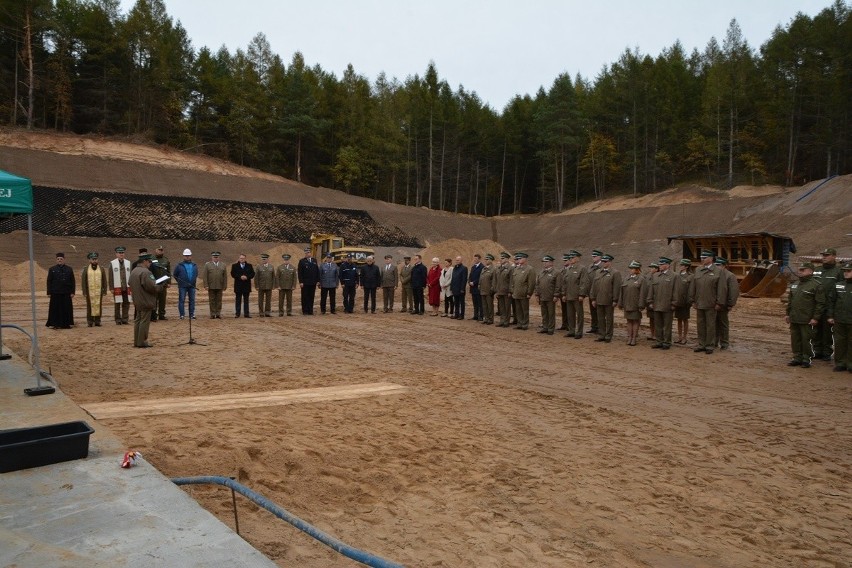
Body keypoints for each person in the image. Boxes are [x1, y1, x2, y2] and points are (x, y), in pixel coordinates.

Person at [786, 262, 825, 368]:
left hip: (807, 318)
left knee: (806, 340)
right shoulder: (795, 284)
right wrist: (787, 314)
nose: (800, 271)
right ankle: (797, 357)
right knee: (795, 339)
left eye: (803, 270)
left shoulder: (816, 285)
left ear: (810, 271)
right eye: (799, 269)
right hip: (794, 317)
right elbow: (790, 301)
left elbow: (820, 304)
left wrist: (815, 318)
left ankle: (806, 359)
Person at [688, 249, 727, 354]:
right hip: (699, 302)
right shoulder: (698, 270)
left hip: (711, 303)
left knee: (710, 325)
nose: (702, 259)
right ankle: (701, 344)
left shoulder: (718, 271)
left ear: (711, 259)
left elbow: (721, 289)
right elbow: (693, 286)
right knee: (700, 325)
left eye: (704, 258)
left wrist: (719, 302)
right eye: (701, 257)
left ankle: (710, 345)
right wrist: (692, 300)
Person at [813, 247, 842, 361]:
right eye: (823, 255)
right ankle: (817, 350)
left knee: (827, 331)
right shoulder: (817, 270)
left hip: (829, 306)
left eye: (827, 255)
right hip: (816, 305)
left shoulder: (838, 271)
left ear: (834, 256)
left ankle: (826, 352)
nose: (824, 257)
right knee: (815, 329)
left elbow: (840, 288)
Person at [129, 253, 163, 348]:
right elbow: (152, 286)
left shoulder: (134, 271)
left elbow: (130, 283)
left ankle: (137, 341)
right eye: (149, 261)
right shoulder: (146, 272)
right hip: (145, 300)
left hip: (137, 300)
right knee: (144, 321)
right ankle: (142, 342)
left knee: (138, 320)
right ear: (144, 261)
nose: (150, 263)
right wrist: (160, 287)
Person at [647, 257, 681, 350]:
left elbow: (676, 291)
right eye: (659, 264)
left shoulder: (674, 276)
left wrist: (674, 303)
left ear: (667, 265)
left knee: (667, 325)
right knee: (658, 324)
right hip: (656, 304)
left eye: (662, 264)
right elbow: (651, 289)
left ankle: (666, 342)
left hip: (668, 304)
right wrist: (650, 301)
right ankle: (659, 341)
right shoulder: (656, 275)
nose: (660, 266)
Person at [590, 254, 621, 342]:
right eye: (603, 261)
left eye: (605, 261)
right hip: (599, 299)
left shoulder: (615, 273)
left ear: (610, 262)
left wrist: (615, 300)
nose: (603, 263)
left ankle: (608, 336)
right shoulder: (598, 272)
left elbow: (616, 287)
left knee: (609, 319)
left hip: (609, 300)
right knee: (600, 318)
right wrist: (593, 298)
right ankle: (601, 335)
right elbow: (594, 286)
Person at [827, 262, 852, 373]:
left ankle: (850, 364)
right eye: (845, 271)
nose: (846, 273)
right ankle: (841, 363)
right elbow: (831, 301)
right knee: (839, 342)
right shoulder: (838, 285)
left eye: (848, 271)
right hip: (840, 320)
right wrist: (830, 315)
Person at [560, 250, 590, 339]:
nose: (571, 259)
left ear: (578, 258)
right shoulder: (568, 269)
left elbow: (584, 282)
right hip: (569, 295)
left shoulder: (582, 269)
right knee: (570, 314)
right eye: (570, 258)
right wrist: (564, 294)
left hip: (577, 296)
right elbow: (564, 283)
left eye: (573, 258)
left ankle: (579, 332)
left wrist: (581, 294)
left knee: (579, 314)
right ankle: (571, 330)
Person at [714, 257, 739, 350]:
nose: (717, 267)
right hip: (714, 303)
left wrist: (730, 304)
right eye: (715, 265)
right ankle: (714, 341)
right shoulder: (715, 274)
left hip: (724, 304)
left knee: (723, 324)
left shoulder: (730, 276)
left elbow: (734, 291)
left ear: (724, 266)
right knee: (714, 323)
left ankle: (724, 343)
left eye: (718, 265)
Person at [619, 260, 646, 346]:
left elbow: (642, 293)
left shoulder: (641, 279)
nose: (631, 270)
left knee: (635, 321)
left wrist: (641, 304)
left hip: (636, 304)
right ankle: (629, 337)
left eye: (633, 268)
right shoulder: (626, 278)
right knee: (629, 321)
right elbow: (622, 292)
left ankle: (634, 338)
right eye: (630, 268)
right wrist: (620, 303)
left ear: (637, 269)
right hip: (627, 303)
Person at [46, 252, 75, 329]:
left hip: (66, 292)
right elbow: (49, 281)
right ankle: (55, 324)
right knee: (55, 309)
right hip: (55, 292)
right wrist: (49, 292)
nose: (59, 260)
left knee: (66, 309)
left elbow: (72, 281)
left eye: (61, 259)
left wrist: (72, 292)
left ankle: (66, 324)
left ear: (64, 260)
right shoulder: (52, 269)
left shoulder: (69, 269)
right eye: (58, 259)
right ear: (56, 260)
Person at [510, 252, 536, 330]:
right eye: (518, 259)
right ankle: (519, 323)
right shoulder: (517, 269)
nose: (519, 260)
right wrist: (512, 291)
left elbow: (531, 283)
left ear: (525, 259)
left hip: (524, 293)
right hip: (516, 293)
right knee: (518, 309)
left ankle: (525, 324)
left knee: (524, 310)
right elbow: (513, 281)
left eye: (520, 258)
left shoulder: (530, 269)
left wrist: (529, 292)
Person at [80, 252, 107, 327]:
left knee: (98, 305)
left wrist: (104, 290)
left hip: (99, 291)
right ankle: (90, 321)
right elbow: (83, 281)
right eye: (93, 259)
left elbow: (104, 280)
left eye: (96, 259)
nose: (94, 260)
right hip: (89, 291)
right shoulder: (86, 269)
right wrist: (84, 291)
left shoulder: (101, 269)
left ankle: (98, 321)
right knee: (90, 306)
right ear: (89, 260)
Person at [172, 248, 198, 320]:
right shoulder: (179, 265)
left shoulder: (194, 265)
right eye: (186, 255)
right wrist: (180, 281)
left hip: (192, 286)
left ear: (191, 256)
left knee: (192, 300)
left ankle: (191, 314)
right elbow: (175, 274)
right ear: (183, 256)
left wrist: (192, 281)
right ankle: (182, 315)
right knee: (182, 300)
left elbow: (196, 274)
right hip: (182, 286)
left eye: (188, 255)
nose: (187, 257)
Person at [108, 246, 132, 325]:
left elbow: (131, 275)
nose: (121, 254)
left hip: (126, 287)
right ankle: (118, 319)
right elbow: (110, 276)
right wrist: (111, 287)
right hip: (117, 287)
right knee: (117, 304)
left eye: (122, 253)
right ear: (116, 254)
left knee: (126, 303)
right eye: (119, 253)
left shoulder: (128, 263)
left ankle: (125, 319)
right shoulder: (112, 263)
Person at [535, 255, 558, 334]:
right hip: (542, 296)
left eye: (546, 262)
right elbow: (537, 284)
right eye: (543, 262)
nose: (544, 264)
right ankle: (545, 327)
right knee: (544, 313)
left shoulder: (556, 273)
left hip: (550, 296)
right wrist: (537, 294)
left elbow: (558, 285)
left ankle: (551, 329)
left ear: (551, 263)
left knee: (551, 313)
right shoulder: (541, 272)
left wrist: (556, 295)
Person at [201, 251, 227, 319]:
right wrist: (206, 285)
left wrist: (224, 286)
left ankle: (218, 313)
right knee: (212, 300)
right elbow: (205, 276)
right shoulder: (207, 265)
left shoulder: (223, 265)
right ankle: (212, 314)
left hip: (219, 285)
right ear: (212, 257)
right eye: (214, 257)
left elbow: (225, 276)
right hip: (211, 286)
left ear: (219, 257)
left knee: (219, 301)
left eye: (217, 257)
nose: (215, 258)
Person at [675, 258, 693, 344]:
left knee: (685, 319)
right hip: (678, 301)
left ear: (686, 266)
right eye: (680, 265)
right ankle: (679, 336)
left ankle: (685, 337)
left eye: (682, 265)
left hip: (686, 301)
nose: (680, 266)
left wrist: (690, 300)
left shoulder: (690, 276)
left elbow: (691, 289)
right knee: (678, 319)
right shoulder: (677, 276)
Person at [231, 253, 255, 317]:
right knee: (238, 300)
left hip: (246, 286)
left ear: (245, 259)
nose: (242, 259)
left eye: (243, 258)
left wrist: (247, 277)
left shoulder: (249, 266)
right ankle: (237, 314)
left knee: (246, 301)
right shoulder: (234, 266)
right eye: (241, 258)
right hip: (238, 286)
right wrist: (240, 277)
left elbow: (252, 274)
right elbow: (233, 274)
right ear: (239, 259)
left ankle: (246, 314)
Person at [494, 252, 514, 327]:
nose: (501, 259)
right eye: (501, 258)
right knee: (501, 308)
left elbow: (511, 280)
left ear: (507, 259)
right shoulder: (499, 268)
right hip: (500, 291)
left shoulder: (510, 268)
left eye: (503, 258)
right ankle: (502, 320)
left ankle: (506, 321)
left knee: (507, 307)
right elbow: (497, 280)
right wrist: (497, 290)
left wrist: (510, 291)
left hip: (506, 291)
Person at [297, 248, 319, 315]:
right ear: (305, 253)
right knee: (304, 296)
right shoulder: (302, 261)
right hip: (305, 282)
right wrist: (301, 282)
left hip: (313, 282)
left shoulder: (314, 260)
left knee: (311, 296)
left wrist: (318, 280)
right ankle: (305, 310)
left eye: (308, 252)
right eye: (306, 253)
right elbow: (300, 273)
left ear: (310, 253)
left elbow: (317, 271)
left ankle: (310, 310)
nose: (307, 254)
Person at [587, 250, 604, 334]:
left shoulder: (602, 266)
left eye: (595, 256)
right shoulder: (590, 267)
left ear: (600, 257)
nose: (593, 258)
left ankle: (601, 328)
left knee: (600, 311)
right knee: (592, 310)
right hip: (591, 291)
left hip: (600, 291)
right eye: (593, 256)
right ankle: (594, 327)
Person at [152, 245, 171, 321]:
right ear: (155, 250)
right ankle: (154, 315)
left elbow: (168, 272)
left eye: (161, 250)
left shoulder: (166, 260)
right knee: (154, 300)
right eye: (159, 250)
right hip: (155, 283)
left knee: (162, 300)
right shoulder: (151, 259)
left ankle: (161, 315)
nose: (160, 251)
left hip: (163, 283)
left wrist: (169, 282)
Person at [478, 254, 496, 324]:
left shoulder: (493, 269)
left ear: (491, 260)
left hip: (489, 290)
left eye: (487, 259)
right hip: (483, 290)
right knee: (484, 305)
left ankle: (490, 319)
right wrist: (479, 285)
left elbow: (494, 280)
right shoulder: (484, 268)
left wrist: (492, 289)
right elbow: (481, 278)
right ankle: (486, 318)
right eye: (485, 259)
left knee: (490, 305)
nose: (486, 261)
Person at [644, 262, 659, 340]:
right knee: (651, 319)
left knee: (657, 319)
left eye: (652, 268)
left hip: (657, 301)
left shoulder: (659, 276)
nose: (651, 269)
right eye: (651, 268)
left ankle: (657, 334)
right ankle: (652, 333)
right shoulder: (647, 277)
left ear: (656, 269)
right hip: (649, 301)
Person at [469, 254, 484, 321]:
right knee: (475, 303)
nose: (475, 260)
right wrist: (469, 282)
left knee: (480, 303)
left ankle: (481, 316)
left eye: (476, 259)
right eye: (474, 259)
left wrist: (474, 282)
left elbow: (481, 277)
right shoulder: (473, 267)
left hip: (478, 287)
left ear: (479, 259)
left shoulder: (482, 267)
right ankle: (475, 315)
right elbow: (470, 276)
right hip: (472, 288)